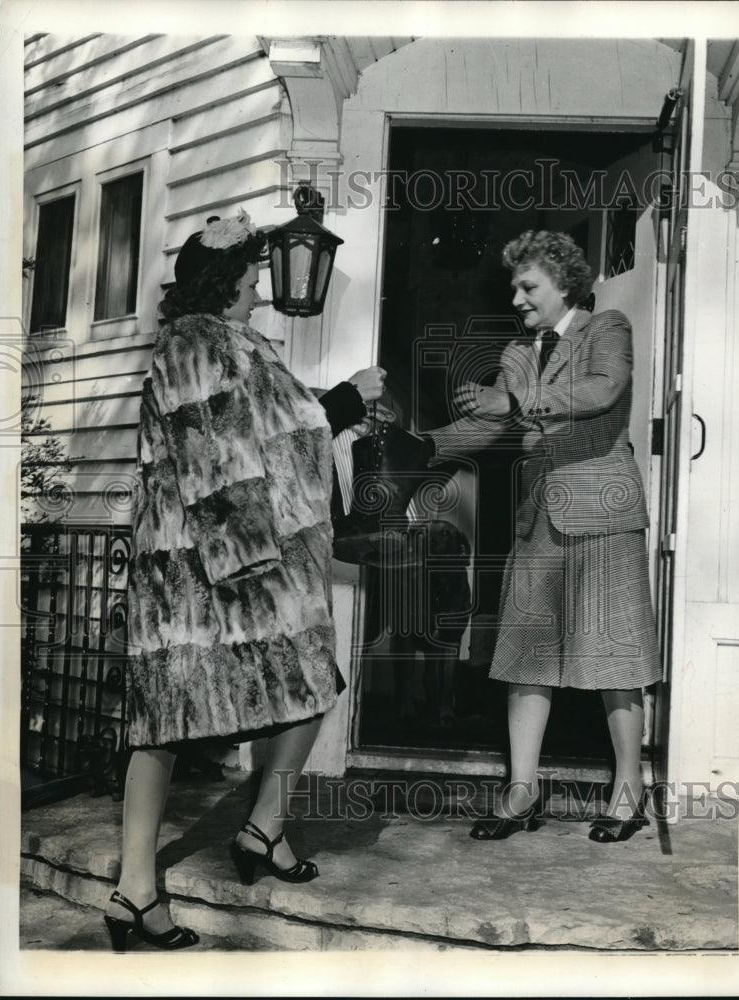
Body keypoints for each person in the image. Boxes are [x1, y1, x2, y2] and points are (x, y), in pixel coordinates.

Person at [104, 210, 386, 952]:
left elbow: (270, 434)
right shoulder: (195, 341)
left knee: (307, 683)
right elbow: (217, 453)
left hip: (233, 560)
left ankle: (263, 827)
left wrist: (339, 407)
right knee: (163, 721)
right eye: (254, 273)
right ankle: (136, 888)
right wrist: (346, 401)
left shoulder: (230, 342)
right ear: (225, 278)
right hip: (198, 570)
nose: (262, 286)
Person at [425, 230, 662, 844]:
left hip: (604, 517)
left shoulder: (606, 328)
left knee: (614, 658)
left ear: (565, 284)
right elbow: (487, 425)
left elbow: (599, 390)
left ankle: (629, 792)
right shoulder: (515, 352)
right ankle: (521, 793)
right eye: (514, 288)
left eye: (529, 286)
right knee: (526, 659)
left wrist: (514, 399)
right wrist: (420, 446)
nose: (519, 299)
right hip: (540, 521)